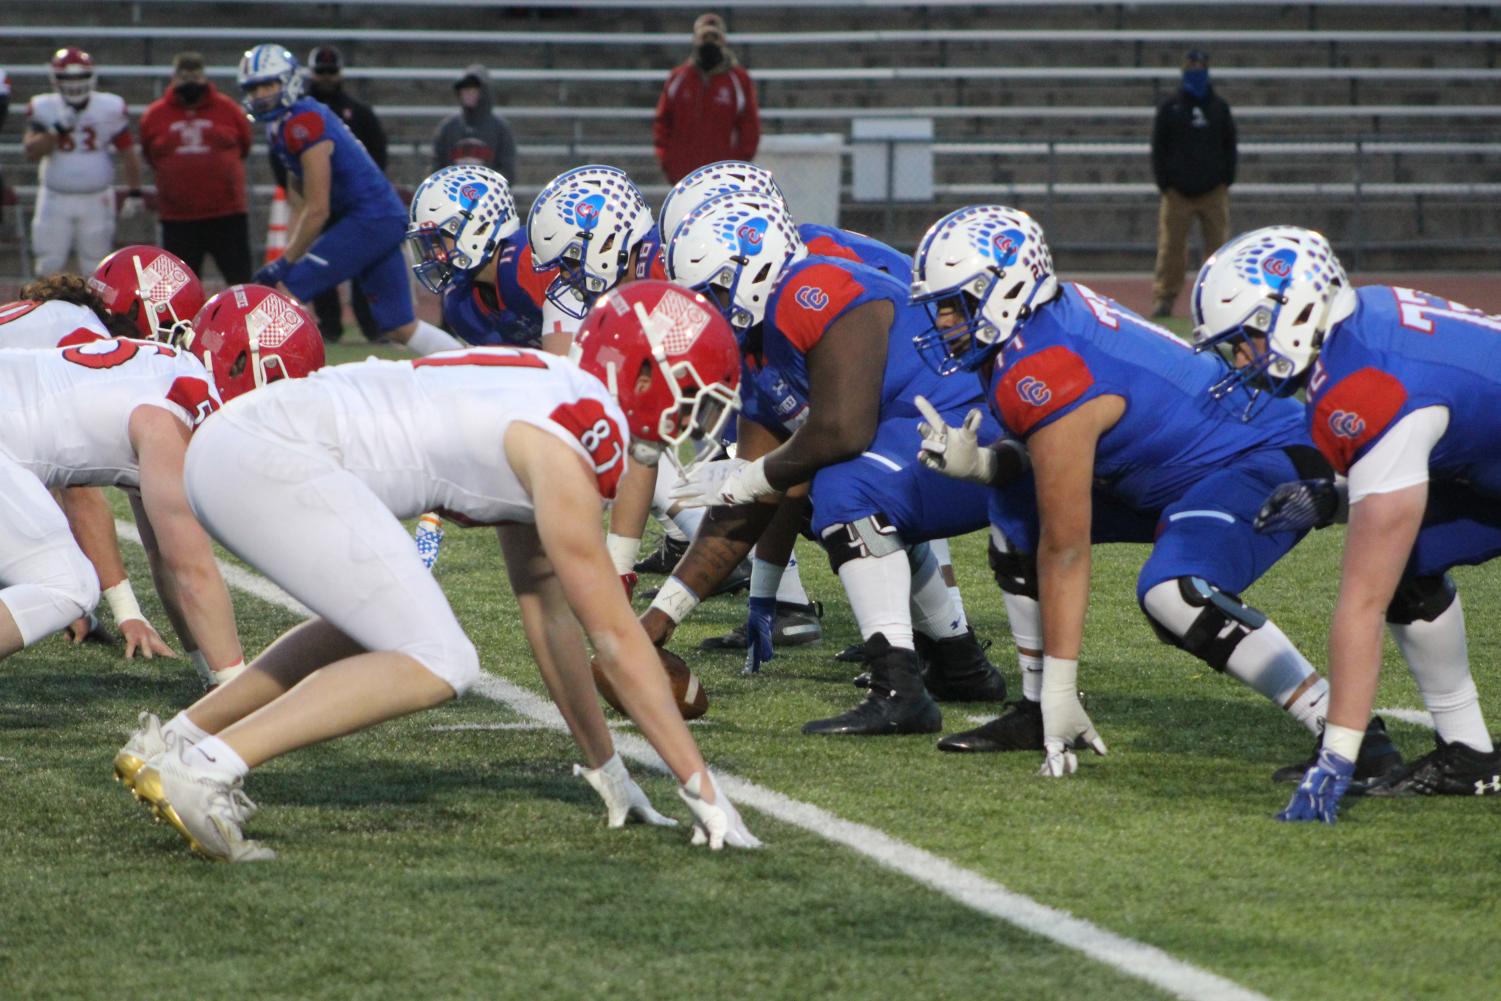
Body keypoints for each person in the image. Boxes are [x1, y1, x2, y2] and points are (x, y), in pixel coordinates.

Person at [125, 280, 758, 861]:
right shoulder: (568, 439)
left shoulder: (551, 386)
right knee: (442, 659)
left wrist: (609, 770)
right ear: (647, 374)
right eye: (695, 394)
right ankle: (209, 766)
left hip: (248, 441)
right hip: (270, 455)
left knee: (375, 623)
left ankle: (178, 740)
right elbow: (616, 638)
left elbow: (547, 610)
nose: (695, 418)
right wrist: (703, 788)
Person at [907, 205, 1404, 779]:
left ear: (1005, 289)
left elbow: (1067, 548)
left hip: (1262, 458)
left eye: (953, 302)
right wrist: (989, 466)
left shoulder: (1043, 364)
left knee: (1174, 594)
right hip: (1176, 469)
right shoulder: (1031, 334)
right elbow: (1055, 454)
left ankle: (1353, 736)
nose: (943, 320)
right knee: (1015, 508)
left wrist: (1067, 685)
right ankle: (1034, 704)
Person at [656, 189, 1007, 735]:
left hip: (984, 439)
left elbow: (842, 430)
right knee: (850, 481)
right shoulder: (757, 343)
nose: (710, 311)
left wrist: (750, 479)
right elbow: (753, 501)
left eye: (715, 291)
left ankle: (900, 686)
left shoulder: (812, 287)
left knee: (846, 482)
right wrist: (659, 620)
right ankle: (959, 663)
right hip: (926, 447)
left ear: (753, 265)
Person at [1190, 226, 1501, 823]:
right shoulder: (1364, 318)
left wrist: (1336, 755)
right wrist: (1337, 499)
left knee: (1377, 581)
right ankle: (1469, 755)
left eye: (1248, 339)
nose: (1243, 361)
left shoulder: (1365, 386)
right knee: (1412, 560)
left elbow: (1360, 603)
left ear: (1296, 310)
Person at [0, 283, 320, 692]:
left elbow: (166, 560)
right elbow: (192, 571)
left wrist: (212, 675)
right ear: (246, 364)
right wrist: (237, 691)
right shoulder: (175, 411)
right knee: (68, 584)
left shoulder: (167, 373)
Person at [240, 44, 462, 356]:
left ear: (288, 81)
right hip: (378, 218)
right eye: (255, 87)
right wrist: (285, 257)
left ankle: (256, 378)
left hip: (370, 219)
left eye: (269, 84)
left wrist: (286, 262)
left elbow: (318, 209)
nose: (262, 94)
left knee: (283, 293)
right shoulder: (283, 126)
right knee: (400, 325)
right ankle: (470, 364)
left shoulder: (305, 122)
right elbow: (299, 202)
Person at [292, 45, 388, 343]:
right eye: (321, 71)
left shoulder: (358, 112)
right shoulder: (299, 115)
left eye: (331, 72)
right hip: (322, 203)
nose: (326, 78)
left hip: (355, 204)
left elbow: (378, 156)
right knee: (322, 265)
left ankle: (370, 324)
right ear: (311, 73)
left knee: (364, 265)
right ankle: (329, 326)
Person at [406, 164, 558, 349]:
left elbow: (571, 362)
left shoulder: (528, 260)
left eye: (437, 240)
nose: (432, 253)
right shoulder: (462, 305)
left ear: (477, 228)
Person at [23, 48, 144, 277]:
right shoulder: (44, 107)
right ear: (55, 78)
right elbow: (32, 151)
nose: (74, 83)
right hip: (55, 196)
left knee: (97, 265)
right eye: (67, 77)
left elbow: (128, 151)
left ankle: (95, 313)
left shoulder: (108, 107)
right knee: (49, 263)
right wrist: (57, 129)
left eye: (79, 77)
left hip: (96, 197)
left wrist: (135, 191)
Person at [138, 52, 254, 285]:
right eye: (184, 77)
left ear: (204, 78)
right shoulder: (155, 115)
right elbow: (150, 154)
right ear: (174, 78)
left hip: (226, 214)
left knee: (240, 281)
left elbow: (244, 146)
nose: (190, 82)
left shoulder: (228, 110)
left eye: (195, 76)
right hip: (178, 217)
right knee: (180, 289)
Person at [1150, 49, 1235, 319]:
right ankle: (1165, 297)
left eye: (1201, 65)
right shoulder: (1170, 107)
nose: (1196, 70)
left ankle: (1218, 299)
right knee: (1172, 249)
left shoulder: (1219, 108)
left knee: (1218, 250)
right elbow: (1158, 147)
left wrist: (1225, 180)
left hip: (1213, 191)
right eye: (1192, 66)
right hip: (1177, 193)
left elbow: (1229, 145)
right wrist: (1165, 183)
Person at [652, 14, 760, 184]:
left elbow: (749, 128)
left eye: (714, 37)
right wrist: (668, 162)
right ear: (695, 39)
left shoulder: (739, 80)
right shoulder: (678, 78)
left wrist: (736, 168)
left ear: (723, 40)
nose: (709, 42)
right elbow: (662, 123)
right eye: (704, 37)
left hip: (722, 180)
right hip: (684, 178)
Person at [431, 65, 517, 182]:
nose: (468, 95)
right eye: (465, 90)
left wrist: (485, 186)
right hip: (452, 195)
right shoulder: (447, 128)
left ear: (484, 92)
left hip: (489, 196)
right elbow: (436, 168)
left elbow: (508, 172)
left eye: (473, 90)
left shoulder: (500, 129)